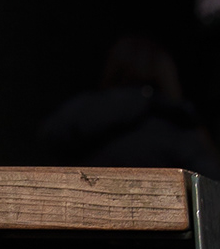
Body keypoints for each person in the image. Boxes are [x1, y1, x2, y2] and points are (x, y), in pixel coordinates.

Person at [38, 36, 220, 174]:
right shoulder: (178, 124)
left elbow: (49, 136)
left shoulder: (83, 114)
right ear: (167, 73)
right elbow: (210, 185)